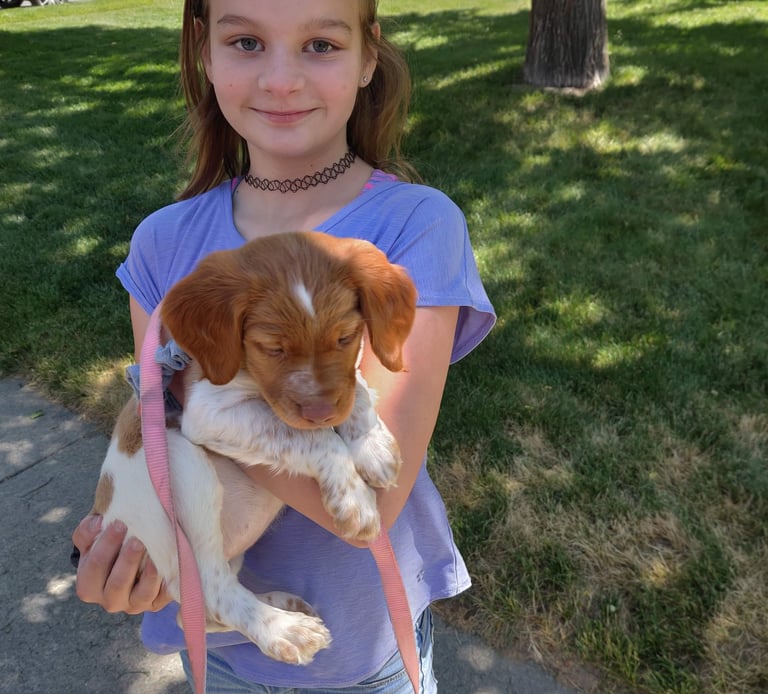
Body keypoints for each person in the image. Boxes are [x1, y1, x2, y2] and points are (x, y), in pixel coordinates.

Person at [72, 0, 495, 691]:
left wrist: (185, 386)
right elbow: (167, 436)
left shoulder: (416, 225)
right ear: (205, 55)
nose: (281, 79)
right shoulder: (161, 243)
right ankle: (221, 604)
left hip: (368, 653)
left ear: (368, 57)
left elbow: (370, 506)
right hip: (218, 654)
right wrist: (136, 566)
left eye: (321, 46)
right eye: (246, 42)